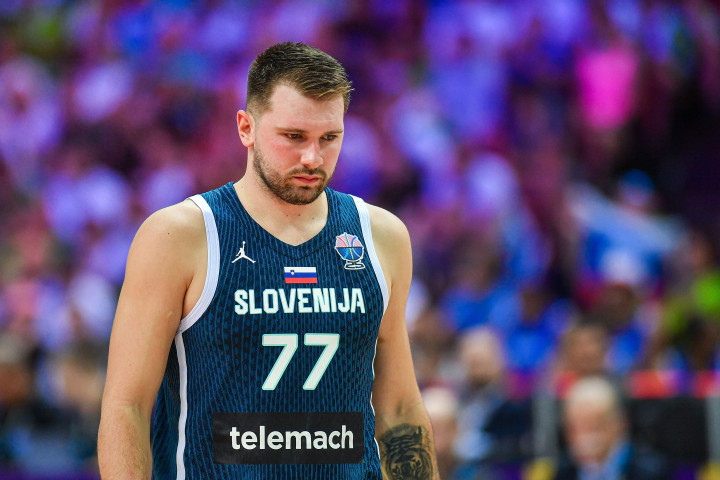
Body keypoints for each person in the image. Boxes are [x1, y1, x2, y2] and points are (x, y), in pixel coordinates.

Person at [97, 42, 438, 479]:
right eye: (294, 137)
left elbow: (400, 408)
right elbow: (126, 407)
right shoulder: (180, 235)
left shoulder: (381, 236)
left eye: (329, 138)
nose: (312, 158)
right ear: (246, 128)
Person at [555, 376, 669, 480]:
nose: (585, 437)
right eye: (575, 428)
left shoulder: (650, 470)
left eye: (594, 426)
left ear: (620, 423)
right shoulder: (561, 471)